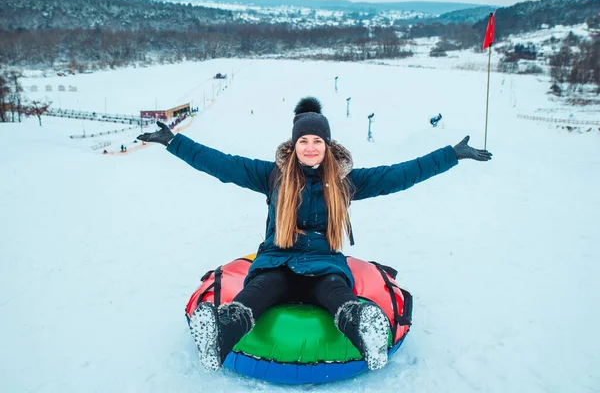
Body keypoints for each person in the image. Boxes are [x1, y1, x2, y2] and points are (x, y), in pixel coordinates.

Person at [137, 97, 492, 373]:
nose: (310, 147)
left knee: (336, 292)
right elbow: (220, 163)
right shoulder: (271, 176)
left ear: (327, 145)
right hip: (277, 259)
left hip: (324, 263)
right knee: (258, 291)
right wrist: (175, 142)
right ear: (294, 146)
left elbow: (399, 174)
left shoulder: (344, 182)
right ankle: (220, 334)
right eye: (303, 141)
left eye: (317, 141)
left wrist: (451, 155)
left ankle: (363, 328)